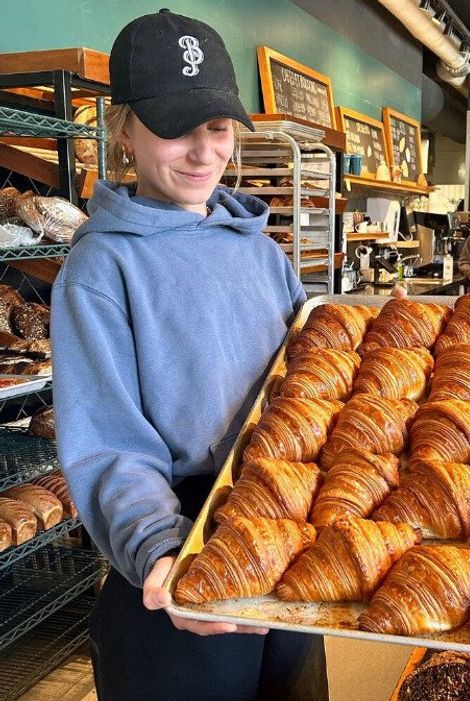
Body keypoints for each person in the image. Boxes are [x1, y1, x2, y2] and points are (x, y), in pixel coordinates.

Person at [50, 10, 327, 701]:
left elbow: (312, 387)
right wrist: (161, 550)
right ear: (124, 129)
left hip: (285, 537)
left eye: (218, 126)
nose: (204, 151)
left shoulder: (262, 253)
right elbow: (110, 445)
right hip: (177, 562)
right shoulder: (100, 268)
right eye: (177, 126)